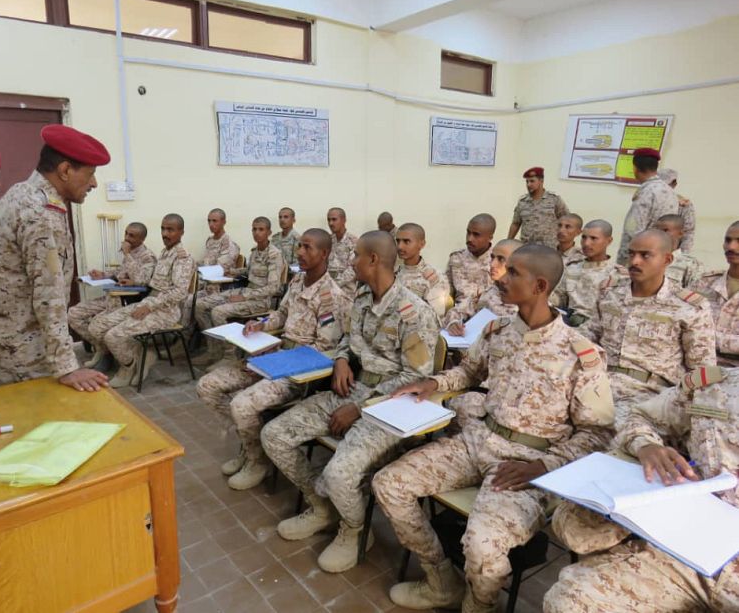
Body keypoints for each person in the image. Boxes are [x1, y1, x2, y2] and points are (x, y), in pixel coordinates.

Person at [373, 244, 614, 612]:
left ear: (540, 286)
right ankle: (441, 580)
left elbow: (597, 434)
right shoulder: (497, 330)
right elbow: (469, 372)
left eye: (513, 272)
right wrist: (433, 383)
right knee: (389, 484)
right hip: (478, 440)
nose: (501, 277)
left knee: (482, 547)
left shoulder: (581, 353)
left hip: (529, 462)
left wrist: (545, 466)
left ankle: (480, 604)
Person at [261, 231, 438, 573]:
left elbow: (416, 378)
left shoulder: (413, 312)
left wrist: (360, 408)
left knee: (338, 473)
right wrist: (342, 359)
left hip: (389, 406)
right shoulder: (362, 298)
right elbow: (348, 340)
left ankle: (355, 530)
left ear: (373, 259)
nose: (350, 261)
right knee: (275, 435)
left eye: (356, 255)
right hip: (353, 389)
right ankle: (322, 507)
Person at [544, 366, 739, 613]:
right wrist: (646, 445)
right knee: (571, 601)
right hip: (688, 550)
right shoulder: (713, 386)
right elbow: (639, 415)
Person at [0, 124, 110, 392]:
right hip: (28, 357)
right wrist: (67, 367)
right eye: (90, 174)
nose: (94, 183)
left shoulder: (18, 193)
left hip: (4, 345)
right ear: (65, 170)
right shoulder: (43, 213)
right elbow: (48, 295)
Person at [196, 228, 351, 490]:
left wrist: (272, 358)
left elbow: (322, 351)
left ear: (324, 253)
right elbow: (281, 314)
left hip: (299, 374)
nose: (300, 252)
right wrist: (262, 325)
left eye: (307, 247)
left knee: (242, 404)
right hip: (275, 356)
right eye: (299, 246)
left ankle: (257, 462)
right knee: (207, 386)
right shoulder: (298, 280)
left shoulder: (332, 297)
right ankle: (251, 443)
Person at [582, 229, 716, 428]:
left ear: (667, 260)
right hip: (598, 384)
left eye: (645, 255)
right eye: (631, 254)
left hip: (651, 396)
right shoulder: (609, 291)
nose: (635, 261)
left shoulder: (689, 307)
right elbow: (590, 335)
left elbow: (702, 370)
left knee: (621, 430)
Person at [87, 214, 195, 388]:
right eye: (163, 229)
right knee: (97, 325)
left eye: (170, 230)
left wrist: (150, 305)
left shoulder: (182, 257)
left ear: (181, 232)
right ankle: (141, 355)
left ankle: (127, 366)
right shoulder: (165, 252)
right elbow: (150, 280)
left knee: (113, 336)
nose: (165, 233)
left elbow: (180, 292)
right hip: (149, 302)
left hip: (166, 311)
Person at [193, 216, 286, 365]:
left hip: (260, 300)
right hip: (246, 291)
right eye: (254, 229)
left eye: (261, 229)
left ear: (269, 232)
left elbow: (273, 288)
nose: (257, 233)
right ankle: (213, 349)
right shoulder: (255, 251)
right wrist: (233, 272)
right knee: (199, 305)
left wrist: (244, 297)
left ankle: (229, 356)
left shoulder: (274, 255)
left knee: (218, 312)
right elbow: (249, 271)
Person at [67, 222, 157, 367]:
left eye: (132, 236)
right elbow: (121, 273)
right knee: (73, 313)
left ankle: (107, 354)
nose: (126, 238)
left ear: (142, 239)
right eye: (126, 233)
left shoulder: (148, 257)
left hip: (126, 300)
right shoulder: (131, 251)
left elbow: (141, 280)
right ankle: (102, 348)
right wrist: (103, 275)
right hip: (112, 297)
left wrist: (127, 254)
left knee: (96, 324)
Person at [551, 219, 625, 327]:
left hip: (598, 331)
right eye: (584, 237)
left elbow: (616, 314)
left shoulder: (618, 275)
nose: (586, 243)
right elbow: (559, 297)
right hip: (568, 327)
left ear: (609, 241)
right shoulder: (572, 268)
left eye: (593, 238)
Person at [444, 239, 521, 337]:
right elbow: (458, 310)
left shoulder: (528, 302)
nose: (492, 264)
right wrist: (453, 323)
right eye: (492, 257)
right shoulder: (490, 292)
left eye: (501, 259)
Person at [617, 148, 678, 265]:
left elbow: (632, 231)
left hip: (641, 258)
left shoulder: (646, 192)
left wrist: (622, 264)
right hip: (660, 255)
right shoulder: (671, 192)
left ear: (635, 168)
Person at [691, 221, 739, 366]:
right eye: (728, 240)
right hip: (699, 369)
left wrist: (705, 337)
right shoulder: (704, 283)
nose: (731, 247)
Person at [446, 214, 495, 323]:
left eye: (476, 235)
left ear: (490, 237)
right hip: (459, 317)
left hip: (490, 319)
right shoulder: (456, 258)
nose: (469, 239)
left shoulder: (498, 261)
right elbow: (447, 295)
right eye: (468, 233)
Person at [395, 223, 449, 323]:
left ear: (422, 244)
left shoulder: (434, 277)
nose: (400, 246)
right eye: (398, 241)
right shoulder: (394, 273)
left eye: (406, 241)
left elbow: (436, 316)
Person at [507, 167, 569, 248]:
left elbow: (567, 220)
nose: (528, 184)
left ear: (541, 181)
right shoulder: (522, 202)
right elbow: (516, 223)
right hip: (527, 247)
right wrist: (507, 242)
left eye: (532, 181)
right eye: (527, 181)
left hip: (549, 248)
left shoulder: (554, 199)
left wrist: (565, 244)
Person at [654, 214, 703, 288]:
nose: (660, 234)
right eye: (657, 231)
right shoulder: (649, 260)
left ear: (680, 233)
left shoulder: (691, 264)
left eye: (665, 230)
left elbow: (695, 291)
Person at [658, 167, 696, 253]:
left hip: (673, 250)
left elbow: (688, 232)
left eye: (667, 184)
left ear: (674, 183)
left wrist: (683, 255)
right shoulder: (652, 200)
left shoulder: (684, 205)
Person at [326, 207, 359, 295]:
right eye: (329, 220)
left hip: (346, 292)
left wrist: (333, 285)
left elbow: (352, 270)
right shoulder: (328, 240)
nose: (330, 223)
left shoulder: (353, 242)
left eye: (334, 219)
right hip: (327, 290)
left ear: (344, 220)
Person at [199, 208, 240, 272]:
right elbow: (205, 262)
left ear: (224, 222)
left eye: (214, 221)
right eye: (209, 221)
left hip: (218, 276)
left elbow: (220, 269)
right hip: (206, 274)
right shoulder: (210, 240)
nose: (211, 224)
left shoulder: (228, 243)